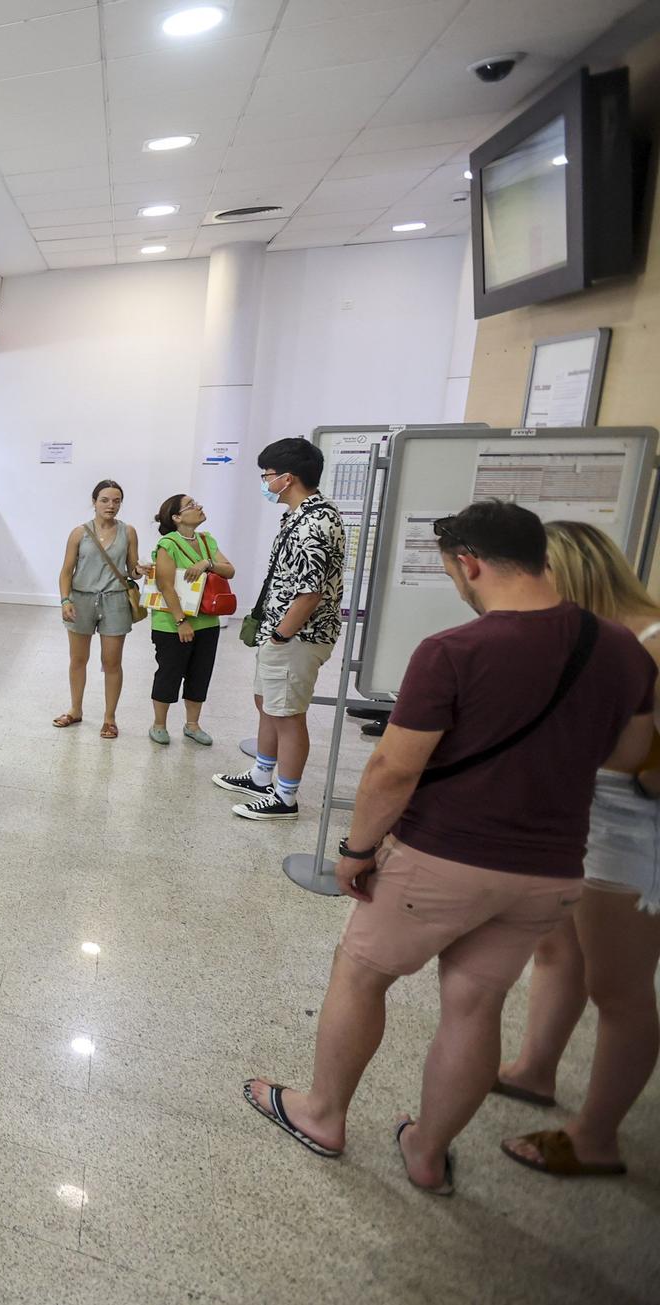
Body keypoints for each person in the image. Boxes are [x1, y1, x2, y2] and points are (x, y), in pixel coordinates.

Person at [242, 503, 652, 1195]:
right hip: (550, 868)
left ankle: (323, 1113)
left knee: (361, 973)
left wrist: (357, 847)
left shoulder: (454, 651)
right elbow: (632, 752)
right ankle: (428, 1153)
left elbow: (393, 770)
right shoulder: (620, 648)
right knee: (475, 1003)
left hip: (445, 855)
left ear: (470, 563)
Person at [496, 521, 660, 1180]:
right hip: (584, 818)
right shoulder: (593, 636)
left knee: (617, 987)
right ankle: (536, 1068)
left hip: (634, 833)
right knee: (557, 948)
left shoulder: (651, 638)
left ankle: (596, 1137)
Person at [214, 439, 345, 819]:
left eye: (267, 476)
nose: (264, 482)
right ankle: (260, 776)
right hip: (283, 633)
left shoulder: (314, 523)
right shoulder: (300, 514)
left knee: (288, 716)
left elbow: (309, 593)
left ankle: (285, 798)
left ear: (287, 478)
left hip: (297, 637)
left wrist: (281, 635)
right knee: (268, 704)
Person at [55, 480, 140, 739]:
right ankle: (75, 709)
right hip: (81, 599)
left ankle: (109, 718)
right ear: (94, 502)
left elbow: (132, 567)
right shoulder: (79, 533)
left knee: (112, 661)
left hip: (115, 601)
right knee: (78, 659)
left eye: (116, 501)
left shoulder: (128, 532)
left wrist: (141, 570)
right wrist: (65, 600)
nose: (110, 505)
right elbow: (66, 571)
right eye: (105, 500)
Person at [147, 493, 234, 746]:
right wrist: (180, 621)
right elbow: (165, 585)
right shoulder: (168, 544)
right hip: (173, 623)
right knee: (169, 673)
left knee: (200, 673)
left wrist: (207, 563)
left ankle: (193, 725)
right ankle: (159, 724)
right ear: (176, 517)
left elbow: (229, 569)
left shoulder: (207, 541)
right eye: (191, 505)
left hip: (207, 621)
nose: (199, 507)